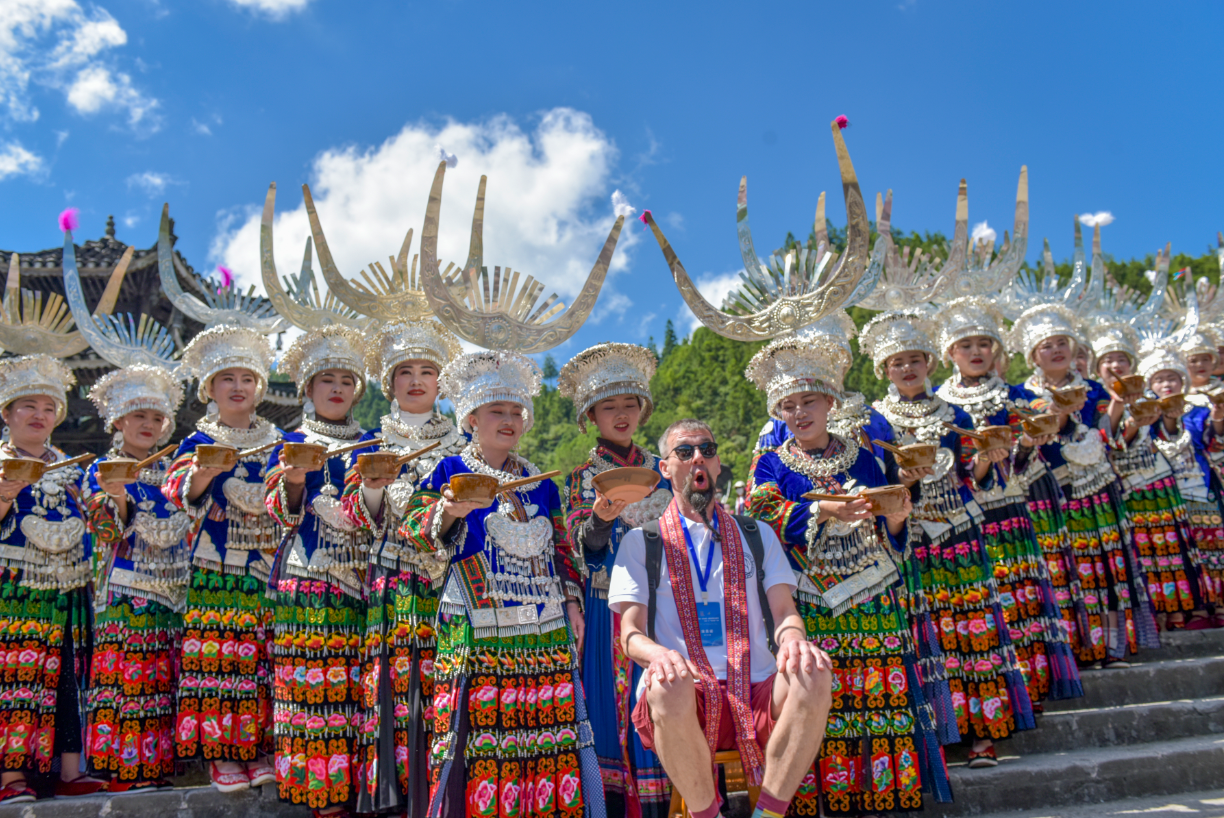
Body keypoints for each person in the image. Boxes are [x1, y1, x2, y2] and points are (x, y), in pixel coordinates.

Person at [744, 312, 950, 816]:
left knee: (881, 693)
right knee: (825, 696)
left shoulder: (864, 456)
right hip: (812, 596)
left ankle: (885, 795)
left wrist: (899, 515)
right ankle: (826, 800)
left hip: (874, 591)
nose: (799, 412)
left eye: (809, 401)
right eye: (788, 406)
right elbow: (760, 514)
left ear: (831, 402)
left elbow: (889, 527)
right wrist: (820, 508)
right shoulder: (770, 461)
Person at [397, 350, 601, 817]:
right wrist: (447, 511)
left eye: (516, 412)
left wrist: (572, 603)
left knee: (547, 734)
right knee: (481, 739)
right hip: (477, 625)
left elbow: (562, 552)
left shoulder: (541, 483)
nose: (509, 420)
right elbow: (410, 527)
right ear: (470, 418)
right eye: (496, 411)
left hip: (543, 629)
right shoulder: (448, 472)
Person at [609, 418, 832, 818]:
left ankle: (768, 813)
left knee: (813, 672)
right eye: (684, 451)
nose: (697, 457)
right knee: (666, 685)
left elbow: (785, 613)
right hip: (685, 693)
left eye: (706, 450)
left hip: (756, 687)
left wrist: (795, 639)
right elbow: (630, 635)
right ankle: (706, 814)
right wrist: (658, 656)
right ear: (665, 467)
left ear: (716, 466)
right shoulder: (641, 541)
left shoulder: (757, 534)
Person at [860, 310, 1034, 769]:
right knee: (923, 635)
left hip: (959, 533)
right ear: (884, 369)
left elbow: (970, 478)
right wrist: (902, 478)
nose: (907, 367)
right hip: (909, 537)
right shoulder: (875, 422)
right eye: (897, 362)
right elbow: (876, 482)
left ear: (931, 362)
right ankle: (938, 735)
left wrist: (986, 459)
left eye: (915, 358)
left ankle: (981, 734)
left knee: (970, 628)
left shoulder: (955, 413)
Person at [339, 319, 464, 817]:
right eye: (405, 371)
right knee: (400, 689)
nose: (416, 380)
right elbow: (353, 516)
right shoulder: (370, 444)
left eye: (428, 370)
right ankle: (400, 800)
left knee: (450, 689)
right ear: (388, 383)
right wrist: (372, 486)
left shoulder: (463, 444)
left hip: (455, 583)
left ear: (442, 382)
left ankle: (450, 794)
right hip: (395, 583)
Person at [935, 298, 1081, 710]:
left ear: (996, 351)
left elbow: (1033, 445)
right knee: (982, 603)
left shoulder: (1017, 396)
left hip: (1013, 508)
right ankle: (997, 692)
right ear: (949, 352)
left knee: (1020, 594)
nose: (976, 352)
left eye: (985, 343)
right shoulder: (939, 407)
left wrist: (1029, 442)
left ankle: (1029, 688)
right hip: (962, 518)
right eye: (966, 345)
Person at [263, 326, 378, 814]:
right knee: (313, 692)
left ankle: (365, 795)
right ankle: (323, 800)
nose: (337, 388)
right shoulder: (289, 442)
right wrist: (293, 480)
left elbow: (387, 514)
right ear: (307, 388)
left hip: (367, 584)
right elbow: (281, 511)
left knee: (362, 691)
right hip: (308, 580)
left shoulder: (376, 443)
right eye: (326, 379)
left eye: (347, 381)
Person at [163, 325, 281, 792]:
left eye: (247, 378)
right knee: (219, 658)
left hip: (269, 565)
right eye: (226, 378)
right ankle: (222, 754)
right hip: (216, 565)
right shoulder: (197, 442)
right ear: (209, 388)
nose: (237, 387)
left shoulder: (281, 439)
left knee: (263, 659)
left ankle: (261, 748)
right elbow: (179, 493)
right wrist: (203, 473)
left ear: (259, 388)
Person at [559, 343, 673, 815]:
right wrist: (602, 519)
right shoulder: (582, 478)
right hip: (610, 608)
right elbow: (580, 546)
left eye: (630, 404)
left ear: (644, 411)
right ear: (590, 416)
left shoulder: (665, 470)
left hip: (667, 604)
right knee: (614, 707)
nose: (621, 414)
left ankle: (676, 794)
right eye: (609, 407)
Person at [1011, 304, 1158, 668]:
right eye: (1047, 345)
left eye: (1063, 342)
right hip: (1048, 495)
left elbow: (1110, 438)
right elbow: (1019, 454)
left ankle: (1110, 648)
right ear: (1033, 355)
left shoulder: (1093, 389)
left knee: (1105, 569)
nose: (1057, 350)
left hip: (1097, 492)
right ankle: (1075, 649)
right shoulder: (1019, 396)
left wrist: (1122, 406)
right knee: (1064, 570)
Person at [81, 364, 188, 792]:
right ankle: (122, 770)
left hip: (174, 595)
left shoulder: (174, 475)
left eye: (157, 418)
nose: (149, 425)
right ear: (117, 421)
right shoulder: (104, 472)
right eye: (139, 416)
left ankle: (157, 766)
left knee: (162, 683)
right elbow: (106, 530)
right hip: (126, 592)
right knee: (129, 680)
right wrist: (118, 495)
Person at [0, 355, 100, 804]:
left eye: (47, 407)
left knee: (67, 676)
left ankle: (69, 770)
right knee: (14, 677)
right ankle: (10, 777)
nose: (39, 415)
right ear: (6, 413)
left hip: (71, 587)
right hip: (14, 585)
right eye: (28, 406)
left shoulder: (73, 468)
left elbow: (100, 527)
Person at [1090, 324, 1204, 630]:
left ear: (1131, 364)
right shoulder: (1096, 399)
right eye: (1108, 360)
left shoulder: (1152, 395)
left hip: (1160, 482)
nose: (1115, 365)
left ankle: (1180, 608)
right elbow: (1107, 443)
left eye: (1121, 359)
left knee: (1171, 547)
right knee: (1141, 552)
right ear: (1098, 367)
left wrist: (1163, 417)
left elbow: (1172, 437)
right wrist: (1131, 422)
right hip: (1125, 488)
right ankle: (1155, 612)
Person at [1142, 343, 1224, 625]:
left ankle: (1218, 605)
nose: (1167, 384)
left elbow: (1213, 443)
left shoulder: (1198, 410)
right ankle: (1193, 608)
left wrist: (1218, 419)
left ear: (1183, 380)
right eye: (1160, 379)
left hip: (1200, 488)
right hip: (1165, 493)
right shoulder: (1147, 416)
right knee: (1179, 552)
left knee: (1212, 546)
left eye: (1172, 378)